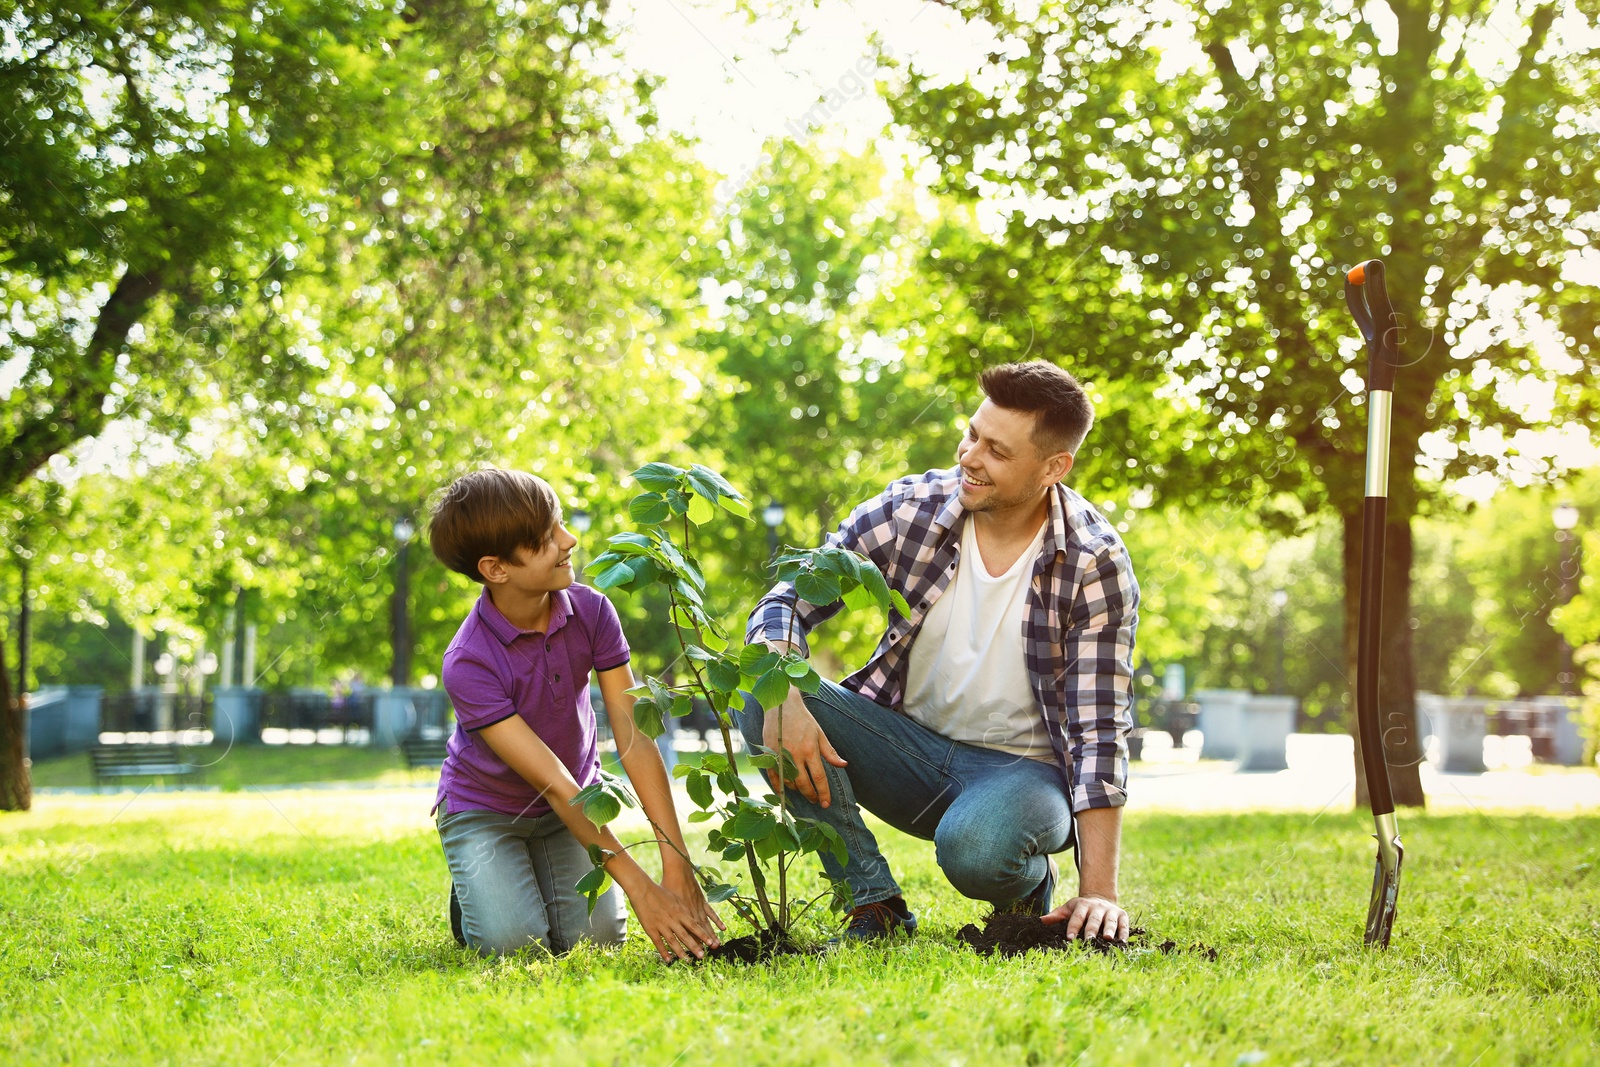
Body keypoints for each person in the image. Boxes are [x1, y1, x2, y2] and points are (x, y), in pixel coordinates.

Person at [740, 360, 1138, 943]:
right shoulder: (913, 508)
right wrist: (781, 686)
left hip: (1023, 775)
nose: (970, 457)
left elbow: (1098, 730)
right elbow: (790, 596)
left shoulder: (1093, 560)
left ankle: (1024, 879)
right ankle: (873, 907)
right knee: (760, 683)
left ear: (1054, 467)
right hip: (907, 752)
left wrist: (1099, 891)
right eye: (972, 434)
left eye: (997, 451)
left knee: (976, 850)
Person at [427, 468, 723, 961]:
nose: (569, 540)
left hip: (571, 813)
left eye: (559, 524)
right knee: (514, 946)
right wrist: (642, 890)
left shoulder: (592, 612)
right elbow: (554, 783)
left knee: (599, 942)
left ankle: (518, 881)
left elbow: (634, 739)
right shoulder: (468, 661)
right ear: (496, 568)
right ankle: (476, 891)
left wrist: (676, 863)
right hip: (488, 813)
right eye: (546, 538)